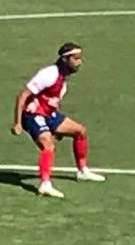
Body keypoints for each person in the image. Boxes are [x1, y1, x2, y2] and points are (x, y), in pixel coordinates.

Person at [11, 42, 105, 199]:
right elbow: (23, 95)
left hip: (48, 114)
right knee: (48, 145)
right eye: (76, 58)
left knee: (80, 131)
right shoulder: (49, 74)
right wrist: (18, 122)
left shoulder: (63, 78)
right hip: (32, 115)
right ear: (65, 59)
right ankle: (45, 184)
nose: (79, 62)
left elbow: (50, 102)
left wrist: (56, 127)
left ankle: (82, 171)